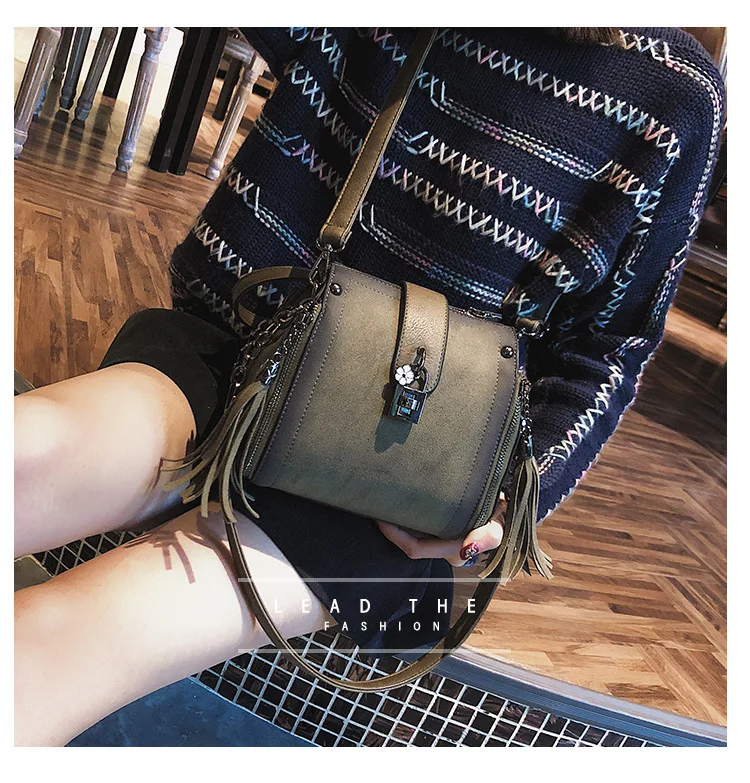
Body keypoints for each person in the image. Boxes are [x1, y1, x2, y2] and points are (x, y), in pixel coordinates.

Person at [14, 27, 726, 746]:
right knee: (27, 452)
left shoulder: (671, 95)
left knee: (60, 642)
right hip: (232, 358)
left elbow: (611, 344)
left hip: (395, 472)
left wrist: (511, 499)